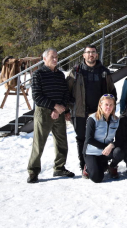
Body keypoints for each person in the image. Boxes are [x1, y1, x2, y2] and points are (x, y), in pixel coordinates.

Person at [66, 44, 117, 171]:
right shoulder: (76, 71)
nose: (91, 54)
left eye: (93, 52)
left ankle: (101, 162)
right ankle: (84, 164)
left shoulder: (104, 71)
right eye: (88, 52)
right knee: (81, 138)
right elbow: (66, 91)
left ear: (97, 55)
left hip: (99, 113)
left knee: (99, 138)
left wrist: (110, 108)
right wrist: (68, 109)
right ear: (84, 55)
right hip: (80, 112)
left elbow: (112, 91)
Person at [27, 48, 74, 183]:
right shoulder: (38, 74)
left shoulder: (60, 75)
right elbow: (37, 96)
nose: (55, 59)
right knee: (39, 142)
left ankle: (59, 167)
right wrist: (54, 107)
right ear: (44, 59)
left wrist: (62, 110)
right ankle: (33, 171)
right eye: (52, 57)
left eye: (56, 57)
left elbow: (65, 93)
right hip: (43, 112)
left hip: (59, 111)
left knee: (61, 142)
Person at [83, 94, 124, 183]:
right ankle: (87, 167)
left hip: (106, 152)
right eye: (106, 104)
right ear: (100, 105)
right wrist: (105, 147)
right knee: (97, 178)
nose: (108, 107)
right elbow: (89, 139)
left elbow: (120, 139)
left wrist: (111, 145)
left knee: (119, 151)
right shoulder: (93, 119)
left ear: (114, 106)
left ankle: (112, 166)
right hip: (92, 152)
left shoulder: (116, 120)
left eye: (111, 105)